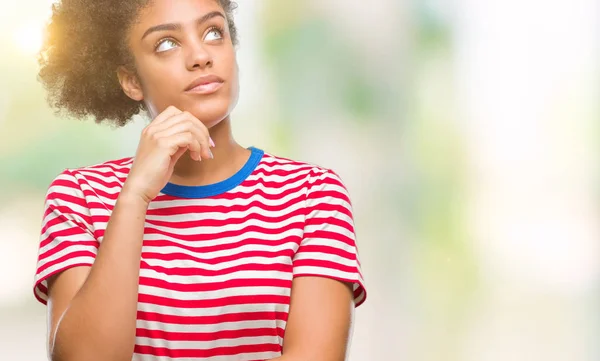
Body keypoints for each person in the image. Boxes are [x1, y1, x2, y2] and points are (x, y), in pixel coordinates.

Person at [33, 0, 366, 360]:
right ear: (131, 80)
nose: (200, 56)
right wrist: (134, 197)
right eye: (166, 43)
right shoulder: (80, 197)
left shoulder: (312, 195)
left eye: (213, 33)